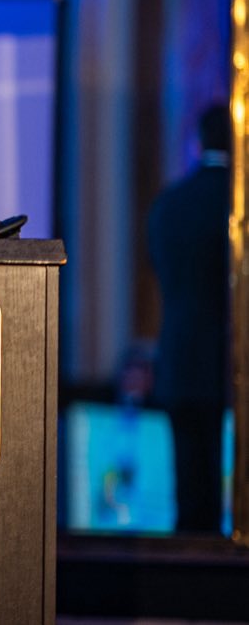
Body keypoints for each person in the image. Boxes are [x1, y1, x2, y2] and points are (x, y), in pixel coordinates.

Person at [146, 104, 231, 533]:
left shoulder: (170, 204)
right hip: (228, 363)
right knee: (226, 499)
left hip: (179, 358)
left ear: (197, 142)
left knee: (189, 495)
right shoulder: (235, 203)